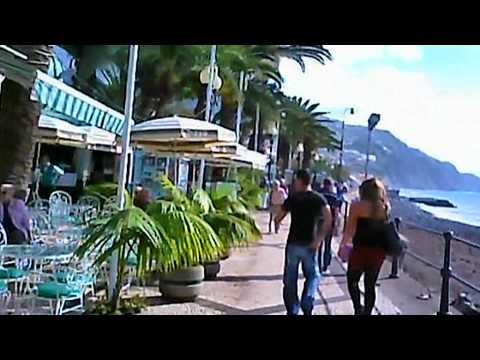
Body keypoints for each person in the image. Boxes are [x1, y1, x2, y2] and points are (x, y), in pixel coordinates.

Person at [275, 170, 332, 316]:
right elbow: (328, 218)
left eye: (295, 180)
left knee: (290, 278)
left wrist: (277, 224)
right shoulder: (319, 199)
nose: (294, 183)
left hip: (293, 243)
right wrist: (319, 239)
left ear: (300, 181)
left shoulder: (293, 198)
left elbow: (278, 217)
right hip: (310, 244)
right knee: (313, 275)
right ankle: (308, 298)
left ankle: (293, 309)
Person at [338, 178, 389, 315]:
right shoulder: (385, 207)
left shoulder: (357, 206)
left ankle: (358, 309)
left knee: (352, 281)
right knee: (370, 285)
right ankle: (367, 312)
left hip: (360, 249)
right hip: (378, 252)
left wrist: (342, 245)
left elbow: (349, 229)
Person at [318, 178, 340, 275]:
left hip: (319, 221)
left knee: (319, 244)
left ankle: (318, 264)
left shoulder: (319, 194)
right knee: (328, 244)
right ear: (330, 185)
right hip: (330, 222)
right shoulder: (334, 196)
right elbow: (336, 211)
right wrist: (335, 224)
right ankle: (326, 264)